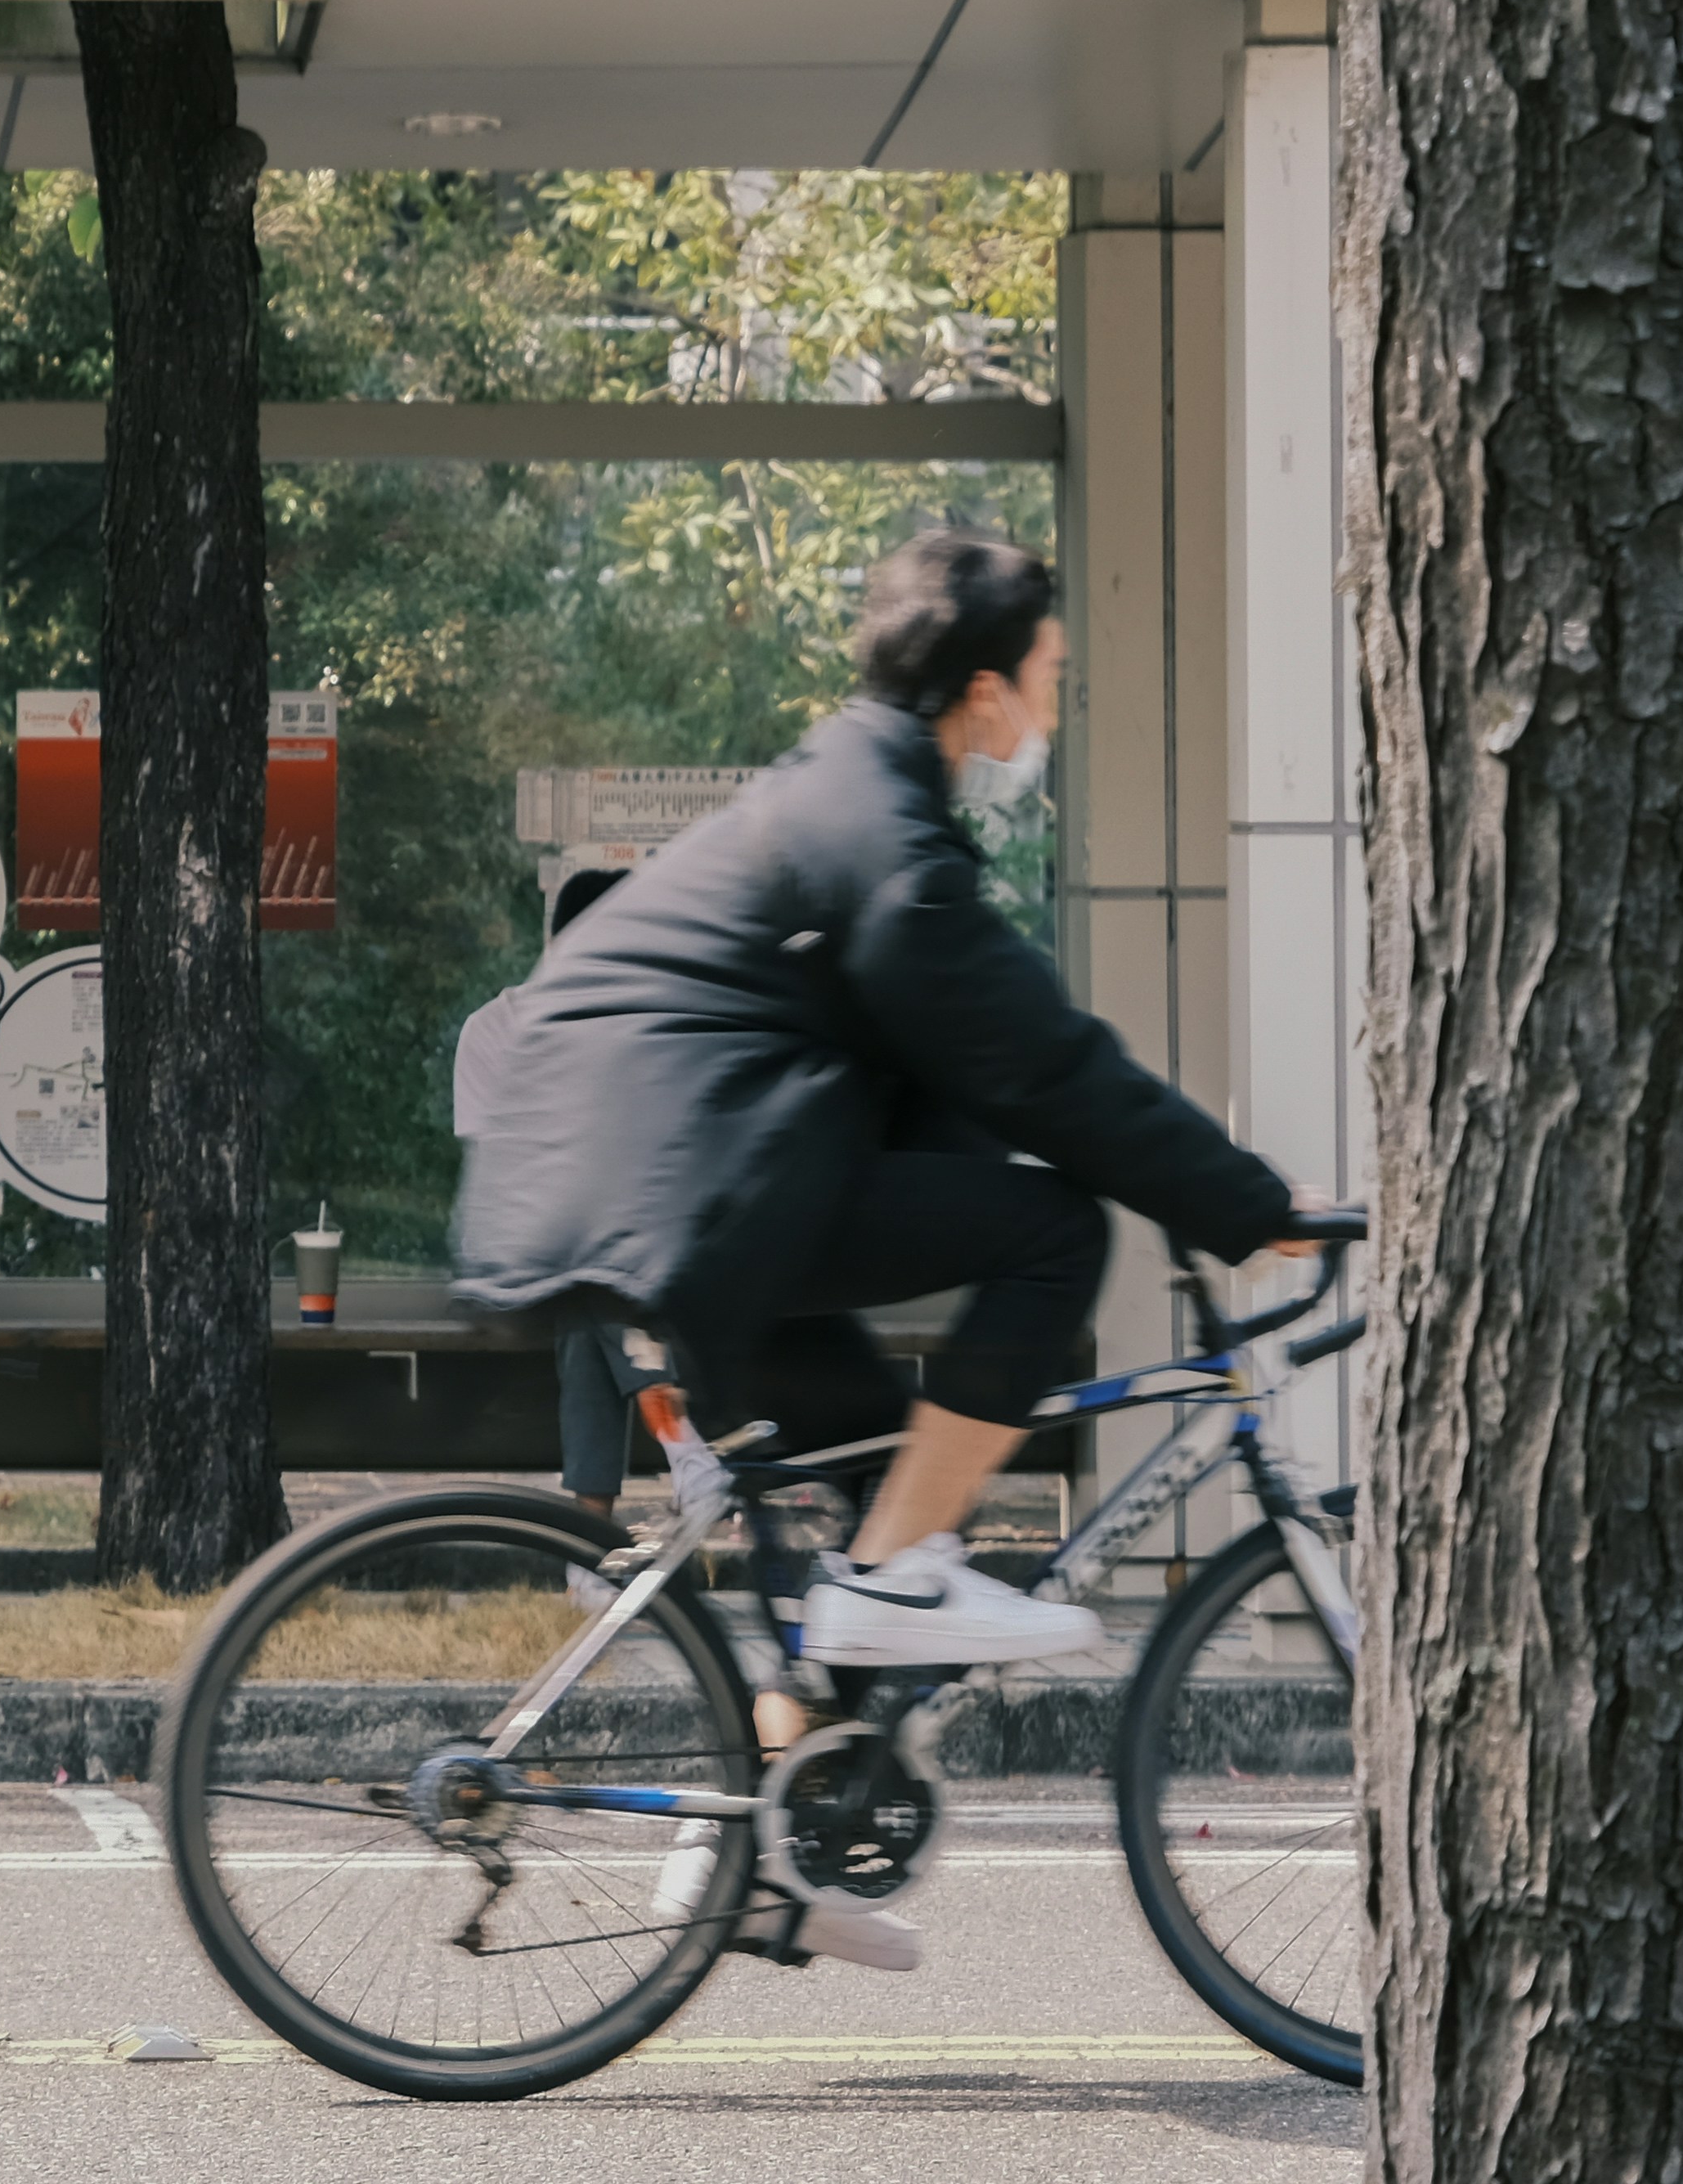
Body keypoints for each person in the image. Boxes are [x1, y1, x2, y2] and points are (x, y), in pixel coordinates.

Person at [456, 526, 1308, 1681]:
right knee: (1058, 1233)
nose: (1056, 708)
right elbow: (1040, 1065)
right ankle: (894, 1589)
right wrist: (1246, 1204)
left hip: (690, 1197)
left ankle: (803, 1771)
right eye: (1052, 677)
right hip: (697, 1203)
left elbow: (955, 1069)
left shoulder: (848, 790)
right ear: (988, 691)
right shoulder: (887, 839)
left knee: (891, 1475)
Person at [447, 865, 716, 1596]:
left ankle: (588, 1555)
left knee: (585, 1313)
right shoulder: (494, 1030)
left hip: (603, 1261)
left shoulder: (644, 1032)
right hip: (518, 1246)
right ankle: (680, 1444)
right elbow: (501, 1168)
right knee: (591, 1270)